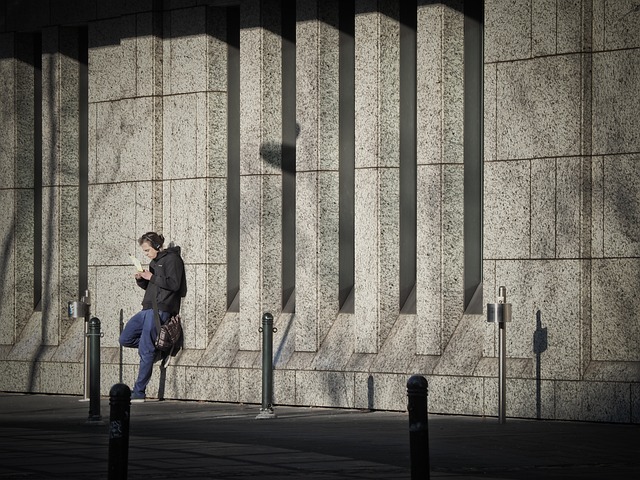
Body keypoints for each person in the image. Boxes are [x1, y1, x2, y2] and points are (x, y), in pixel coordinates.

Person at [119, 232, 187, 402]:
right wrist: (142, 279)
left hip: (161, 308)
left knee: (145, 350)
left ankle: (139, 391)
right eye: (144, 251)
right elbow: (153, 287)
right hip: (147, 307)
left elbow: (174, 284)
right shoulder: (154, 262)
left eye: (148, 250)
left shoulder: (172, 260)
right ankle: (158, 350)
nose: (146, 254)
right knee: (125, 338)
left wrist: (152, 277)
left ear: (157, 246)